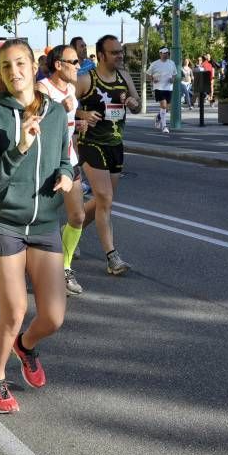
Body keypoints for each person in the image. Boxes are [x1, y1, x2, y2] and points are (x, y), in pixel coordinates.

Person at [0, 38, 73, 414]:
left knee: (53, 317)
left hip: (45, 222)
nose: (14, 72)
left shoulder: (58, 113)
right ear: (0, 72)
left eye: (20, 64)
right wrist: (19, 149)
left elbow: (65, 156)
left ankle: (26, 346)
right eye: (6, 66)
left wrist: (64, 173)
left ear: (34, 67)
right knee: (13, 312)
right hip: (5, 223)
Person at [75, 35, 141, 275]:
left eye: (120, 51)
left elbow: (137, 105)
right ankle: (112, 257)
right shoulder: (86, 79)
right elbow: (63, 106)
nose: (119, 56)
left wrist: (133, 102)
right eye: (114, 52)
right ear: (101, 55)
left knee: (104, 200)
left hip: (115, 144)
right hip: (91, 144)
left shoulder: (123, 77)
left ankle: (72, 229)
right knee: (105, 198)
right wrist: (82, 116)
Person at [35, 44, 88, 296]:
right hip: (45, 164)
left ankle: (64, 267)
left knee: (77, 217)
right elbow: (31, 125)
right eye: (74, 61)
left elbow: (67, 128)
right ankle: (32, 267)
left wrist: (77, 123)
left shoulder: (72, 88)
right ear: (58, 64)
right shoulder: (42, 89)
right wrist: (57, 109)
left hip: (69, 161)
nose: (79, 66)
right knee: (41, 220)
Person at [147, 47, 177, 133]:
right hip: (159, 87)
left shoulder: (172, 63)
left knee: (167, 108)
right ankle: (164, 126)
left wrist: (172, 79)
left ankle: (158, 117)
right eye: (164, 53)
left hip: (169, 88)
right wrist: (153, 79)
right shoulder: (154, 64)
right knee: (163, 105)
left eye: (167, 53)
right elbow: (148, 74)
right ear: (160, 54)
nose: (166, 54)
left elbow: (174, 74)